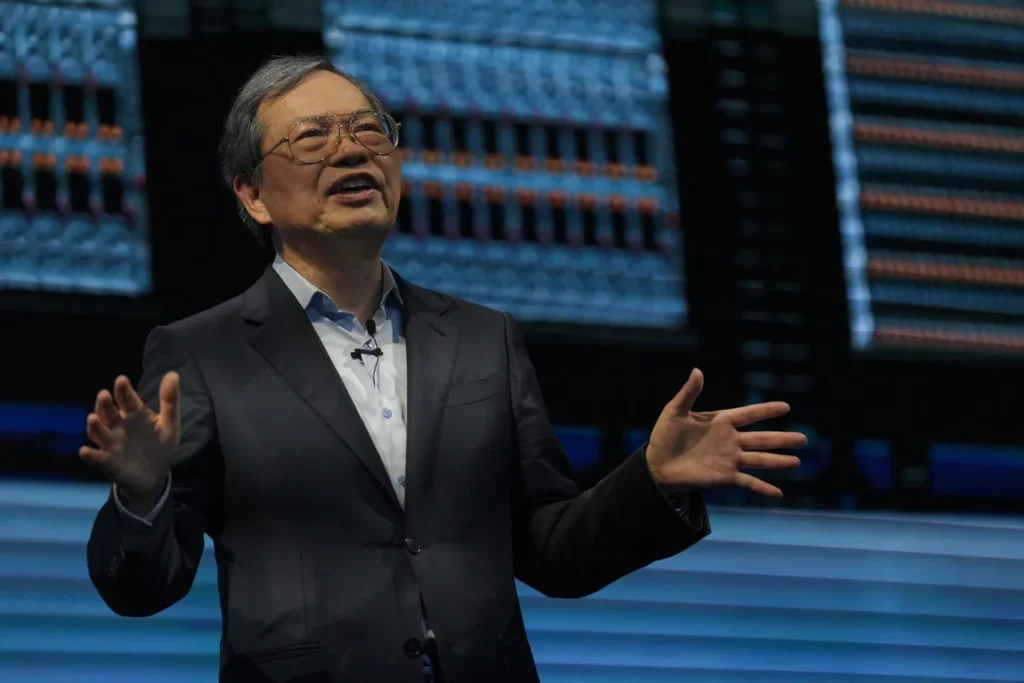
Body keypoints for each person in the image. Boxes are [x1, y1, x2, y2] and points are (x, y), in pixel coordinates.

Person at [82, 55, 806, 683]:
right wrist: (142, 494)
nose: (351, 150)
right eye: (313, 137)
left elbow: (553, 550)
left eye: (370, 130)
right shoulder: (204, 352)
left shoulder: (483, 339)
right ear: (253, 193)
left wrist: (650, 480)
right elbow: (144, 587)